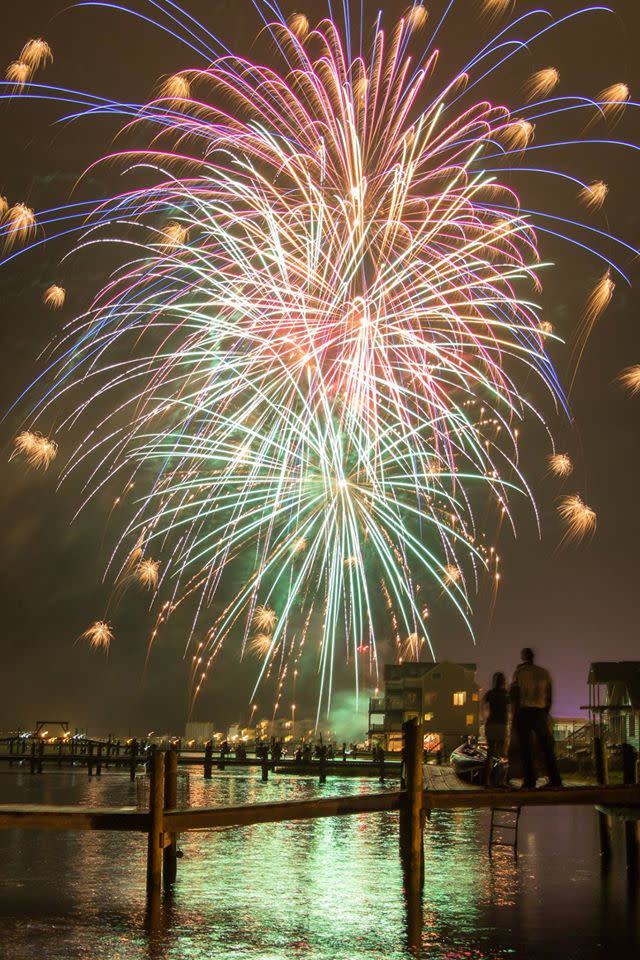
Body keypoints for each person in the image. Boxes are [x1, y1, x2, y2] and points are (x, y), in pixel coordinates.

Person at [510, 648, 562, 789]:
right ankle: (555, 780)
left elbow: (515, 694)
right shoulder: (544, 673)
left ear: (523, 657)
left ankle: (530, 781)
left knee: (526, 748)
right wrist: (545, 713)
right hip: (540, 712)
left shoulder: (519, 673)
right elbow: (549, 696)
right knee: (546, 748)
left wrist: (514, 714)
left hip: (524, 711)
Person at [482, 672, 509, 786]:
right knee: (503, 754)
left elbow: (483, 707)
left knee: (490, 753)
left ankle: (486, 781)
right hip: (501, 725)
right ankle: (501, 781)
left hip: (491, 724)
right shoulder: (506, 694)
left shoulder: (490, 694)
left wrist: (485, 718)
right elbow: (510, 709)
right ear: (503, 681)